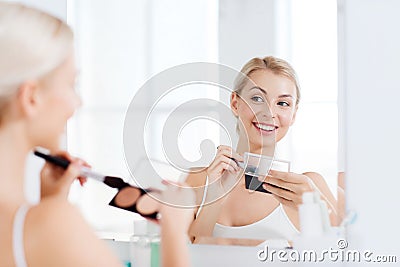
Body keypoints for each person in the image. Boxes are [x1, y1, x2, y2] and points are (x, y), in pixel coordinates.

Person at [0, 3, 194, 267]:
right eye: (71, 85)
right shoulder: (52, 224)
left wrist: (49, 202)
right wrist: (174, 227)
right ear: (31, 98)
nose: (76, 102)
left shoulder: (36, 227)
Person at [187, 56, 338, 243]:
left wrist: (316, 208)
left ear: (293, 115)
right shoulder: (198, 179)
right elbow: (188, 257)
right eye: (257, 98)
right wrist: (214, 197)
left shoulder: (308, 187)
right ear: (235, 103)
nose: (269, 113)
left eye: (283, 103)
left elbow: (348, 255)